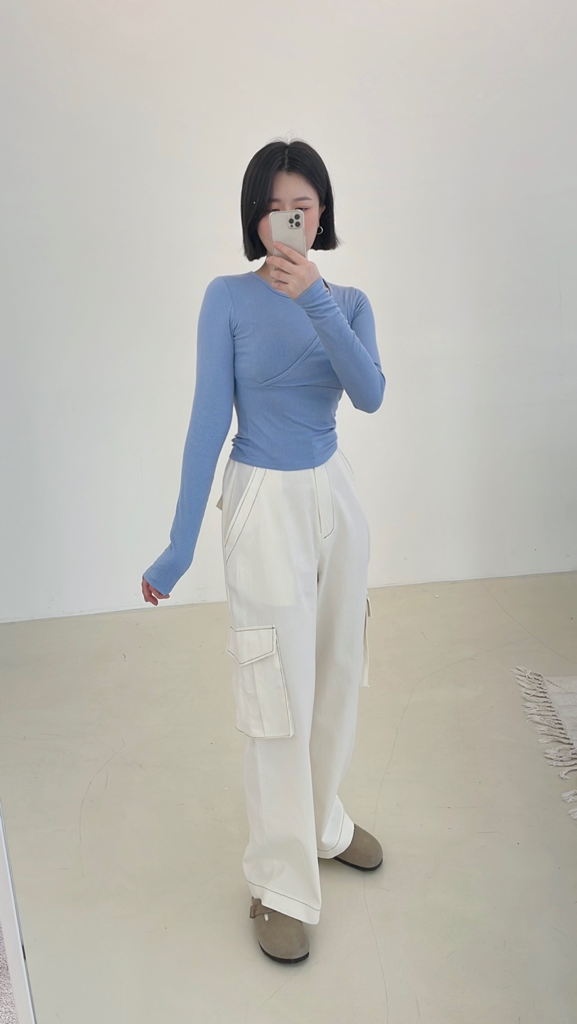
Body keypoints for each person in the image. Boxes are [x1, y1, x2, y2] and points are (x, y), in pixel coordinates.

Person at [141, 138, 386, 964]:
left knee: (338, 671)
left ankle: (321, 825)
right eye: (276, 208)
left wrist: (315, 300)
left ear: (321, 214)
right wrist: (178, 545)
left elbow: (369, 394)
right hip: (263, 500)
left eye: (303, 207)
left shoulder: (348, 301)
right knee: (275, 693)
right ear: (256, 219)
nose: (290, 220)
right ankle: (277, 883)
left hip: (334, 495)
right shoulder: (226, 298)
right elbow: (208, 417)